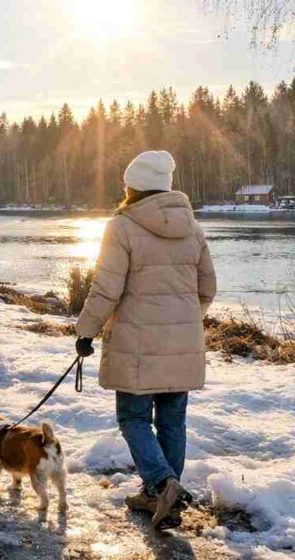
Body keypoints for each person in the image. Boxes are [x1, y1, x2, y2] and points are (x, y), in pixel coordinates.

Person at [75, 150, 216, 531]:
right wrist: (183, 322)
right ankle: (163, 499)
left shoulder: (121, 226)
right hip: (183, 344)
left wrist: (86, 331)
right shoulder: (192, 227)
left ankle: (161, 483)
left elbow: (106, 288)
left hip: (135, 344)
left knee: (134, 417)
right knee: (172, 422)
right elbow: (208, 289)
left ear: (133, 187)